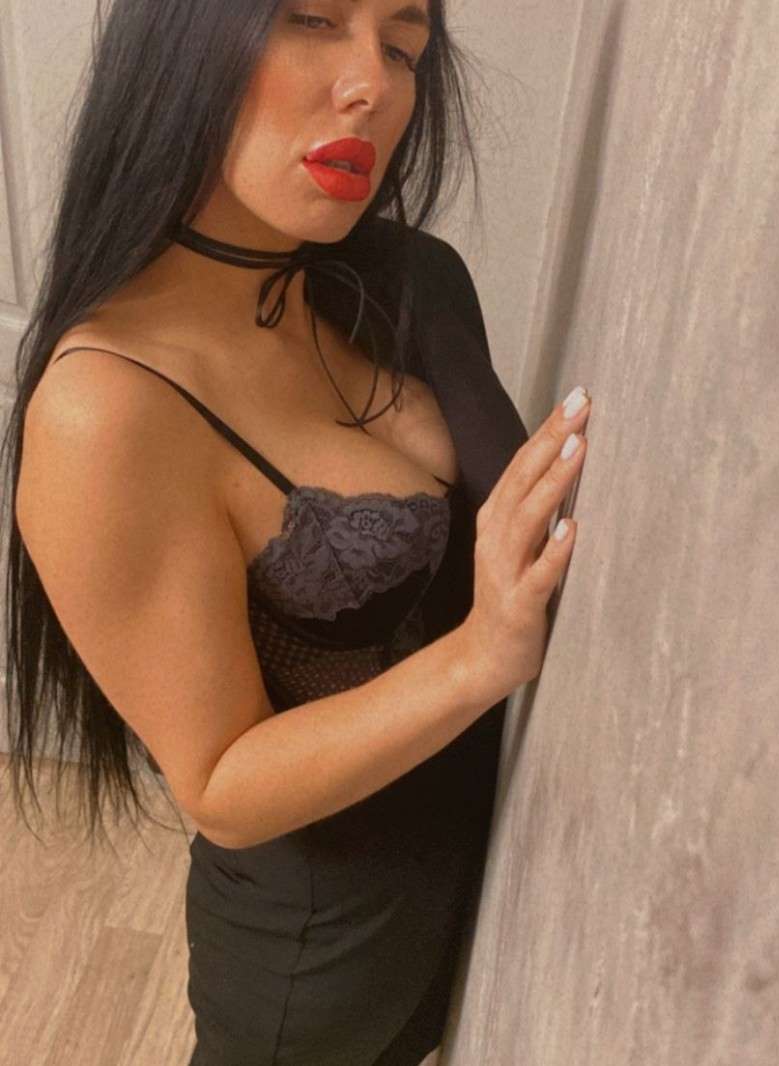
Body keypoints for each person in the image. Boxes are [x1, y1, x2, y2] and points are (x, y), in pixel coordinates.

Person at [3, 1, 591, 1063]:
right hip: (311, 974)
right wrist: (480, 656)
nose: (374, 86)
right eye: (312, 19)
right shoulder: (106, 410)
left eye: (403, 48)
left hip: (475, 901)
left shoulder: (409, 280)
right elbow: (221, 785)